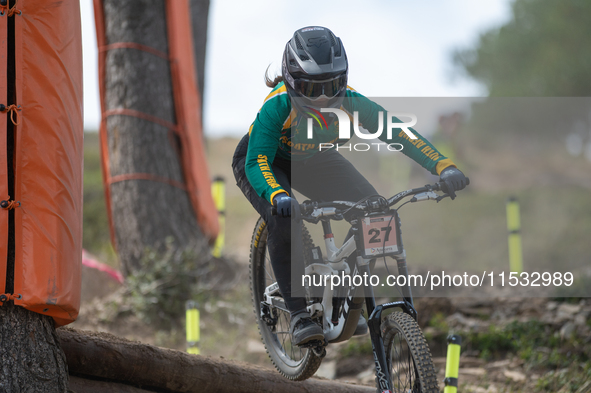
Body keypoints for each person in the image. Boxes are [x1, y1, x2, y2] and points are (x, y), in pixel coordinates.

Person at [232, 26, 468, 346]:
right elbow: (257, 161)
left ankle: (343, 297)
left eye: (330, 86)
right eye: (308, 88)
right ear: (290, 81)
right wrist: (277, 195)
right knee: (284, 218)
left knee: (375, 209)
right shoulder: (277, 106)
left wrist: (443, 165)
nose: (322, 97)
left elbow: (398, 133)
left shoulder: (352, 101)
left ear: (342, 80)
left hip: (314, 159)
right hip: (265, 162)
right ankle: (300, 313)